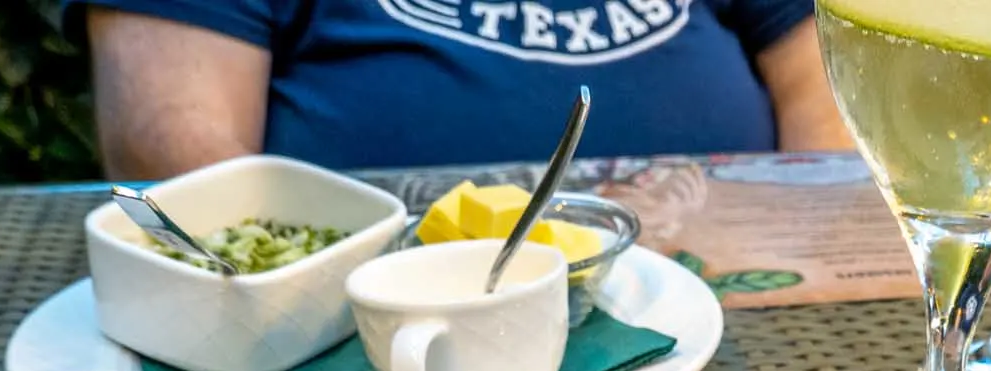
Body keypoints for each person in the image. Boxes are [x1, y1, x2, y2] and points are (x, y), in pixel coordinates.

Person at [73, 0, 852, 181]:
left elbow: (827, 84)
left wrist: (802, 245)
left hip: (727, 321)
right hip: (380, 337)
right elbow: (171, 135)